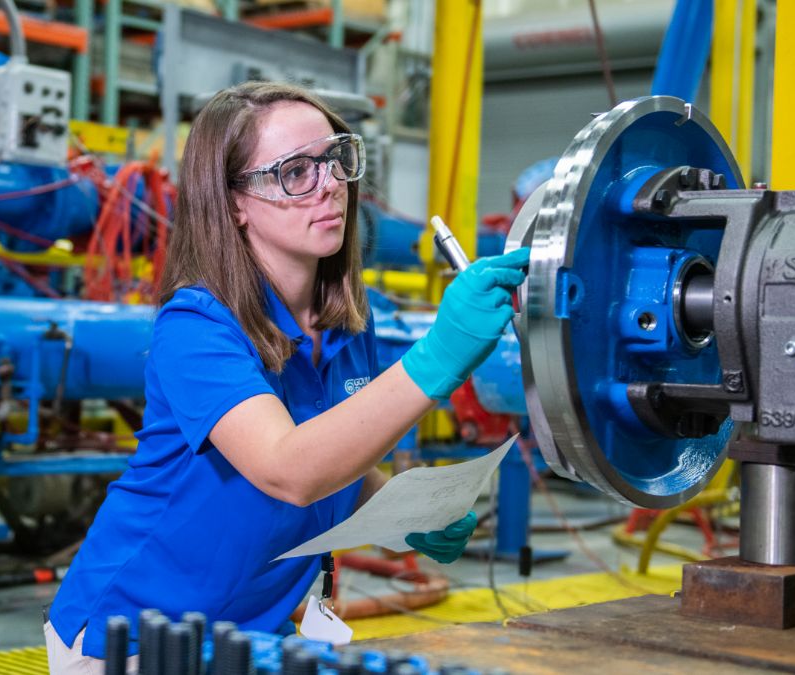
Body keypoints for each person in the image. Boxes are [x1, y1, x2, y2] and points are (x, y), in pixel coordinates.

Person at [43, 81, 529, 672]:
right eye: (294, 171)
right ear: (234, 204)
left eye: (335, 160)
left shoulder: (350, 318)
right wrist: (436, 358)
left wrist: (406, 513)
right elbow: (287, 469)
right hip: (133, 635)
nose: (330, 185)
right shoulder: (196, 325)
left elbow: (332, 455)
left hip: (248, 634)